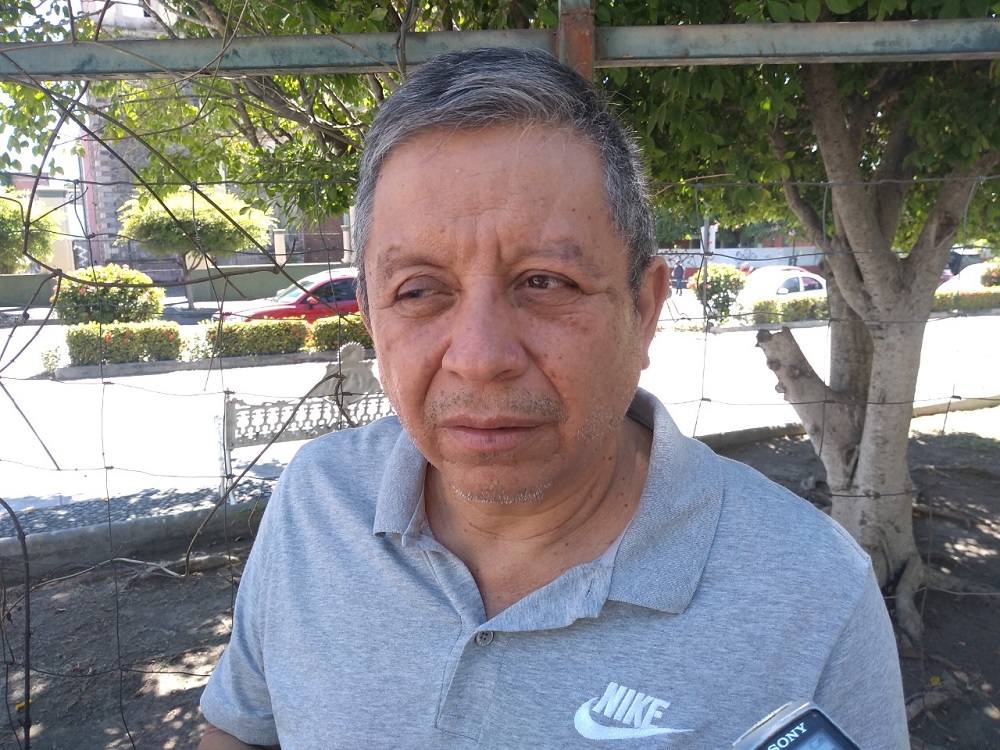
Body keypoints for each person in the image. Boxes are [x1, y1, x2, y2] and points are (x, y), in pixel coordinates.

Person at [198, 47, 908, 749]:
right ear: (371, 318)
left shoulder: (813, 596)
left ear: (644, 310)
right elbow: (242, 730)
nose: (480, 359)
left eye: (545, 282)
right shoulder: (316, 503)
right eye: (418, 291)